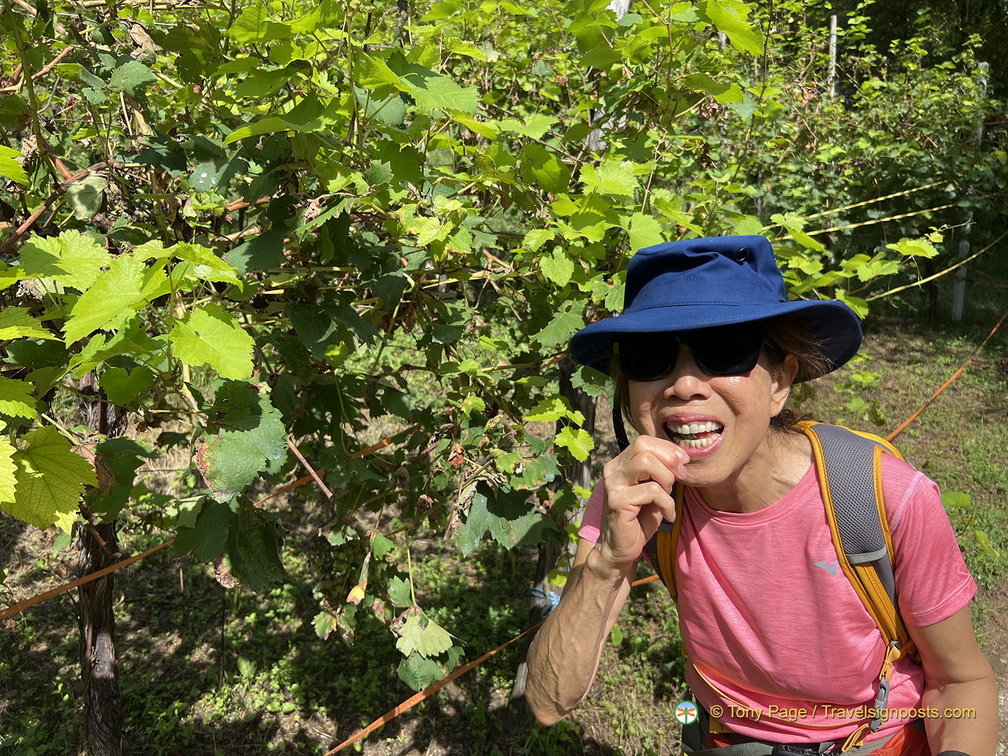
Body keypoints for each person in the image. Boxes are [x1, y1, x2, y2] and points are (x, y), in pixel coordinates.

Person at [524, 235, 997, 756]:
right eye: (649, 356)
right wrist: (608, 562)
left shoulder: (880, 498)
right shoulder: (634, 498)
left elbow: (960, 684)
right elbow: (548, 701)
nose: (684, 385)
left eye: (725, 349)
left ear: (781, 382)